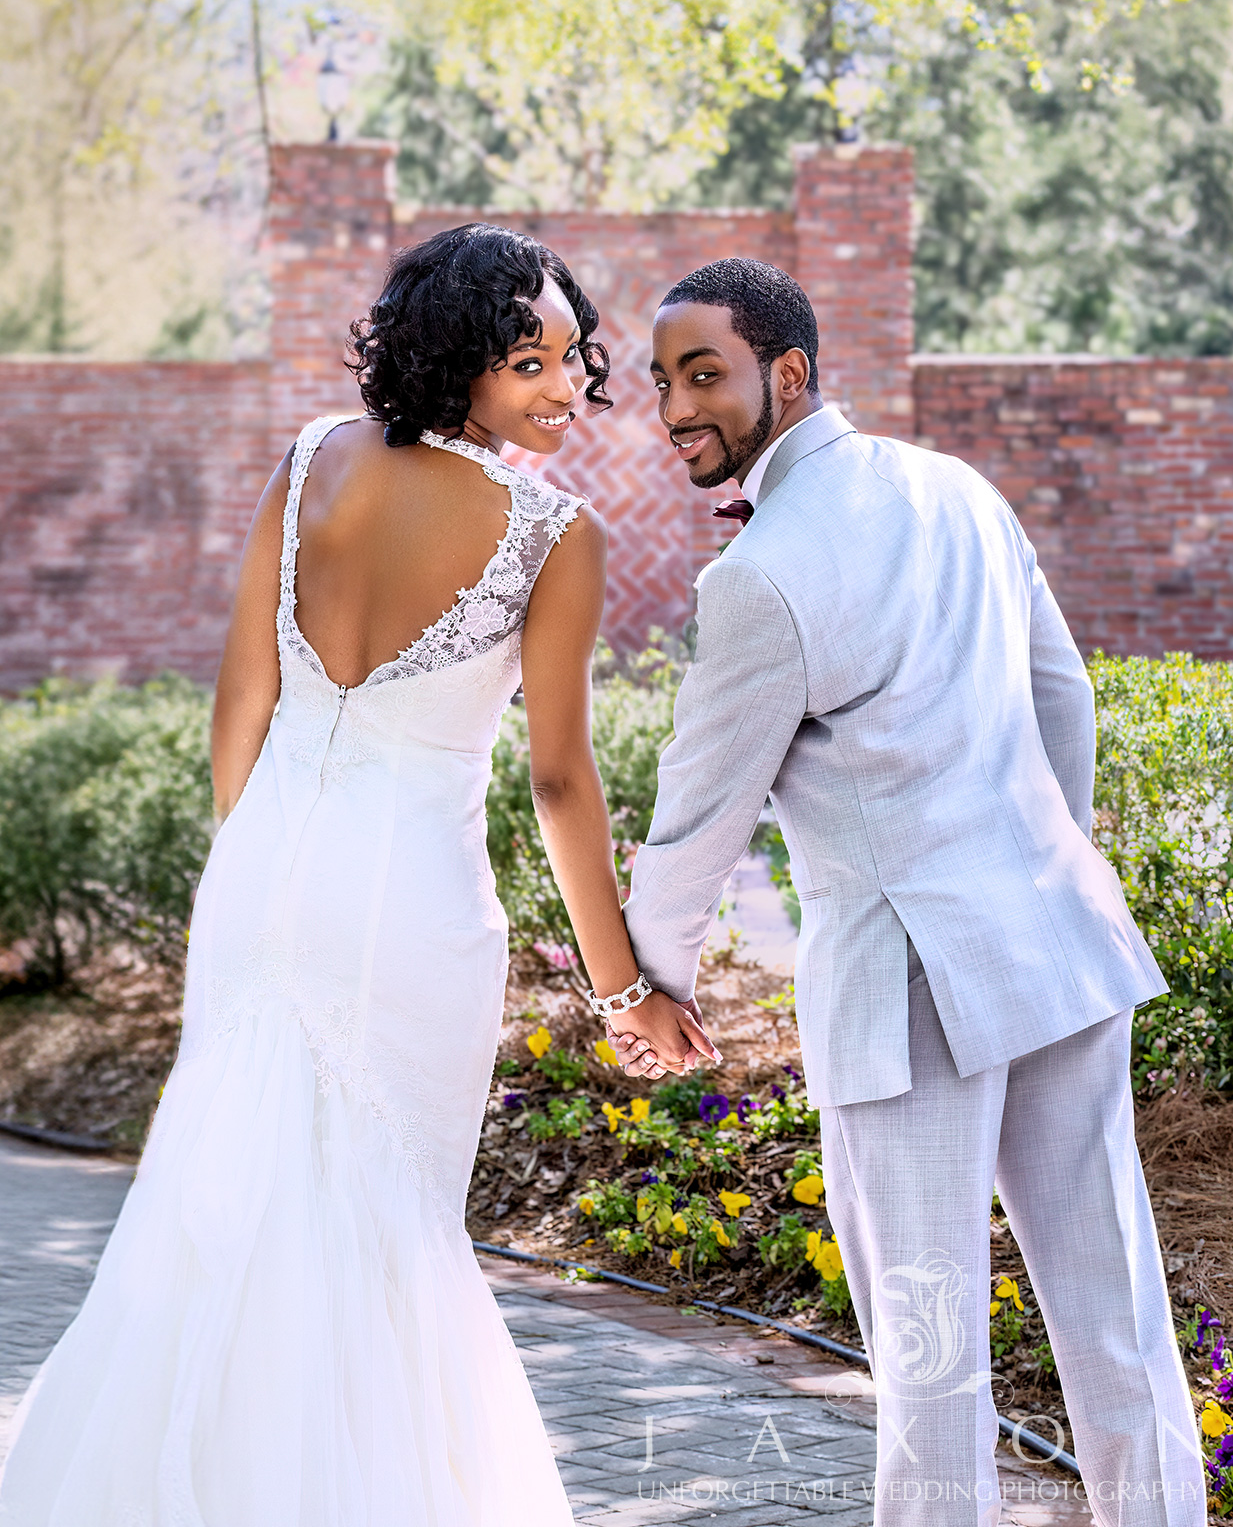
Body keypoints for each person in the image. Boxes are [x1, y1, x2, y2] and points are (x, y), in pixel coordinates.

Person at [0, 224, 715, 1527]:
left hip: (263, 875)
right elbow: (560, 782)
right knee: (380, 1226)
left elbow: (242, 698)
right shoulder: (555, 533)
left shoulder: (312, 456)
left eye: (573, 358)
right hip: (409, 914)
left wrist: (256, 870)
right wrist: (622, 996)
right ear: (458, 363)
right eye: (527, 362)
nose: (565, 388)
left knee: (233, 1190)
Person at [609, 258, 1205, 1526]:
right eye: (663, 382)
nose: (674, 410)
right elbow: (1065, 698)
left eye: (702, 374)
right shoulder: (958, 488)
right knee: (1118, 1320)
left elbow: (698, 813)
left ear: (791, 372)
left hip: (910, 990)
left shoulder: (758, 575)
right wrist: (1039, 862)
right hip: (1058, 941)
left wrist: (639, 984)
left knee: (932, 1358)